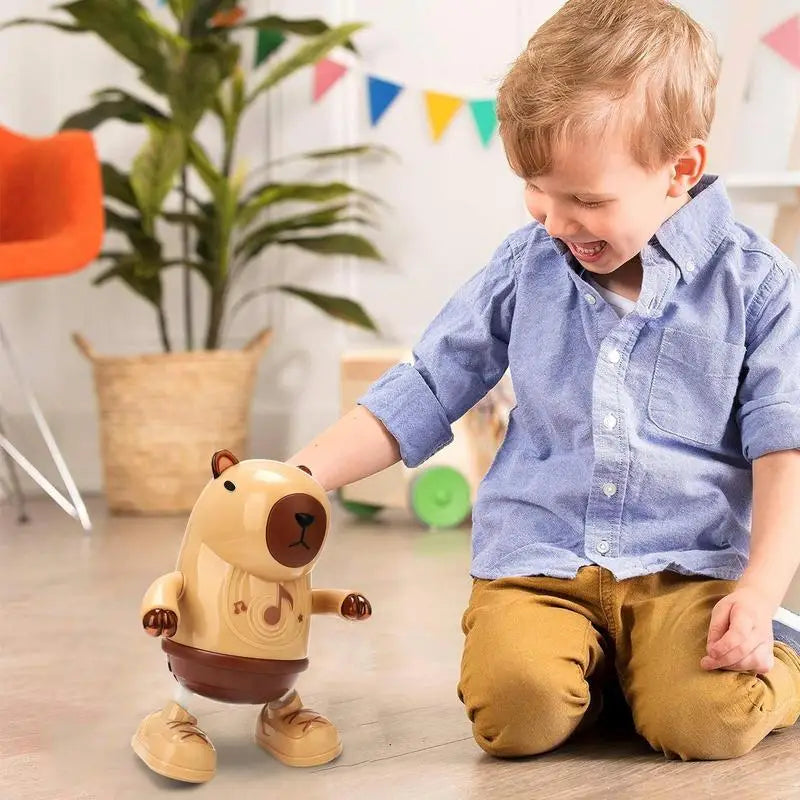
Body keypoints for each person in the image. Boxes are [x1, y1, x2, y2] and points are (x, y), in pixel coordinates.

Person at [288, 0, 800, 761]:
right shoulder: (525, 265)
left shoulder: (758, 286)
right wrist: (300, 475)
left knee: (708, 724)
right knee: (516, 718)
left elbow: (782, 449)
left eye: (587, 200)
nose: (557, 222)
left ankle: (768, 661)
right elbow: (427, 383)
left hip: (687, 571)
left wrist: (759, 591)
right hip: (541, 561)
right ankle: (606, 674)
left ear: (680, 171)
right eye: (537, 188)